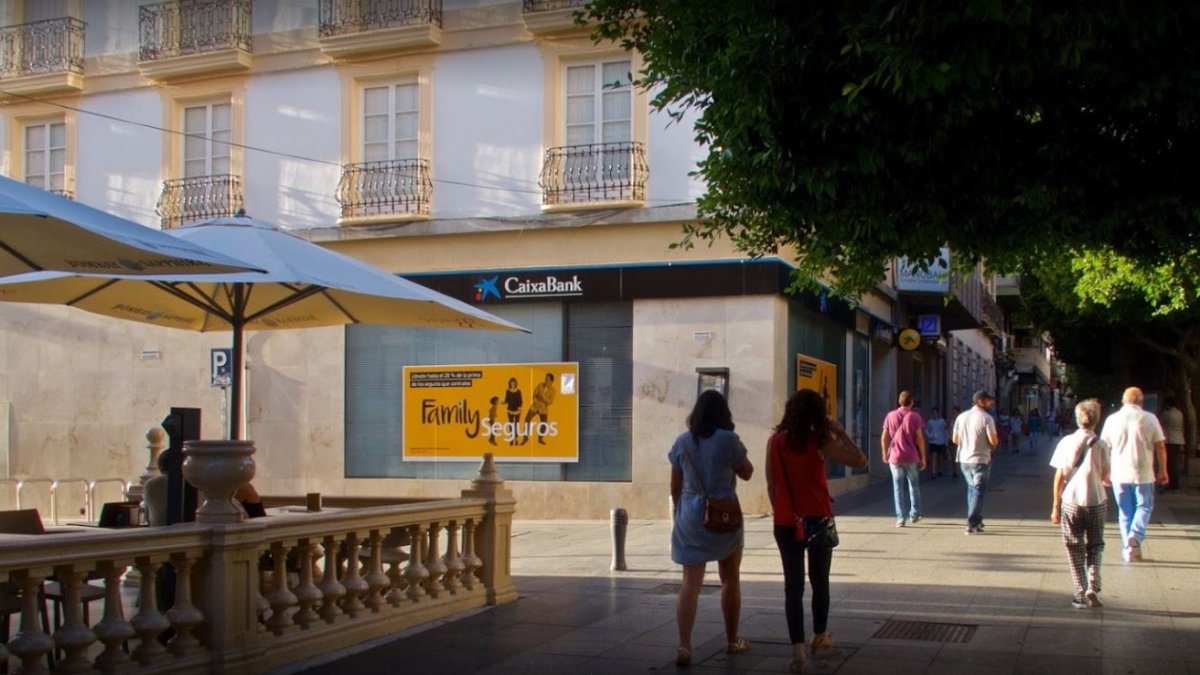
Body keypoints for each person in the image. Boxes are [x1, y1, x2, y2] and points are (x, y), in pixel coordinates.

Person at [766, 389, 867, 673]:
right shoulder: (821, 442)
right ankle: (820, 636)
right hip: (819, 518)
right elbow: (860, 461)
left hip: (787, 522)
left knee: (793, 587)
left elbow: (771, 485)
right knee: (820, 581)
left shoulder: (775, 442)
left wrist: (784, 511)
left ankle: (798, 651)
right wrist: (841, 432)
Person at [668, 390, 754, 666]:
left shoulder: (682, 442)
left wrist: (684, 509)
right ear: (723, 413)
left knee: (690, 584)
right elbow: (747, 471)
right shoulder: (728, 440)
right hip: (724, 516)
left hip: (691, 516)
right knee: (730, 579)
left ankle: (684, 646)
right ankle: (731, 640)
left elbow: (675, 486)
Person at [1049, 399, 1111, 609]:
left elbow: (1059, 476)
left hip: (1071, 501)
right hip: (1096, 500)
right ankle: (1093, 584)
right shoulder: (1101, 444)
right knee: (1096, 545)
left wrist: (1055, 506)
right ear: (1097, 420)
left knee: (1074, 546)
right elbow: (1105, 473)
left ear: (1077, 419)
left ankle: (1080, 594)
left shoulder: (1066, 442)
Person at [1100, 387, 1168, 562]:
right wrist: (1163, 469)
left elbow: (1104, 448)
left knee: (1124, 512)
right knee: (1144, 506)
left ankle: (1128, 549)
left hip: (1118, 473)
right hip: (1143, 472)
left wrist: (1104, 472)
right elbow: (1160, 445)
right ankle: (1135, 537)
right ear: (1141, 401)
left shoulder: (1112, 420)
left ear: (1123, 401)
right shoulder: (1150, 418)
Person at [953, 390, 1000, 534]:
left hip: (964, 460)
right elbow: (993, 441)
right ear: (980, 401)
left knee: (972, 489)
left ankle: (976, 520)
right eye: (988, 400)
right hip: (980, 460)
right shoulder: (987, 418)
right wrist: (991, 446)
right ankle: (972, 522)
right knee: (978, 491)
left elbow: (955, 439)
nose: (990, 403)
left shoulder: (961, 417)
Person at [880, 391, 926, 527]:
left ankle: (900, 517)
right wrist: (923, 457)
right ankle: (915, 513)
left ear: (899, 402)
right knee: (914, 485)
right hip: (911, 456)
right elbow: (919, 438)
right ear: (911, 402)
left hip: (895, 457)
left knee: (897, 487)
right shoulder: (915, 417)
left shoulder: (890, 416)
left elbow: (884, 437)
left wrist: (884, 454)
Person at [520, 372, 557, 445]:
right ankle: (525, 437)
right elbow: (534, 392)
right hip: (534, 406)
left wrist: (542, 397)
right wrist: (534, 398)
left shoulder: (553, 390)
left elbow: (550, 402)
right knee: (527, 420)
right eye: (545, 379)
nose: (545, 381)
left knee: (544, 424)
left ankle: (540, 438)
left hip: (543, 409)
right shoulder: (540, 385)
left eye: (547, 380)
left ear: (551, 381)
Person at [1160, 397, 1185, 491]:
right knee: (1175, 462)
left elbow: (1161, 422)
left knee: (1170, 463)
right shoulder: (1180, 413)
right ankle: (1175, 482)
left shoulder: (1167, 414)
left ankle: (1173, 483)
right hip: (1179, 439)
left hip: (1170, 440)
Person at [925, 407, 948, 479]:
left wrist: (946, 441)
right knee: (934, 456)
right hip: (933, 441)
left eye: (936, 413)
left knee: (940, 456)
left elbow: (945, 431)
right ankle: (933, 471)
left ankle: (940, 468)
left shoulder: (942, 421)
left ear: (938, 413)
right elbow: (926, 429)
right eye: (933, 413)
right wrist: (929, 436)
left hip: (941, 441)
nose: (934, 414)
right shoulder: (930, 422)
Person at [503, 377, 523, 446]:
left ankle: (516, 439)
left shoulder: (519, 391)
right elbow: (506, 400)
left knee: (516, 424)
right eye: (511, 383)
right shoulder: (507, 391)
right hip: (510, 410)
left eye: (514, 383)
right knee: (511, 424)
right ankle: (511, 439)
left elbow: (520, 401)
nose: (513, 384)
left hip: (517, 410)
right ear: (510, 384)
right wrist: (503, 402)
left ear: (516, 383)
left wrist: (519, 409)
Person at [948, 406, 962, 478]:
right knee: (953, 456)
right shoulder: (951, 420)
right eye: (952, 412)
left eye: (955, 412)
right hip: (951, 439)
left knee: (959, 456)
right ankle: (954, 471)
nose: (953, 413)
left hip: (959, 440)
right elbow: (948, 429)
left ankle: (960, 469)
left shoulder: (961, 420)